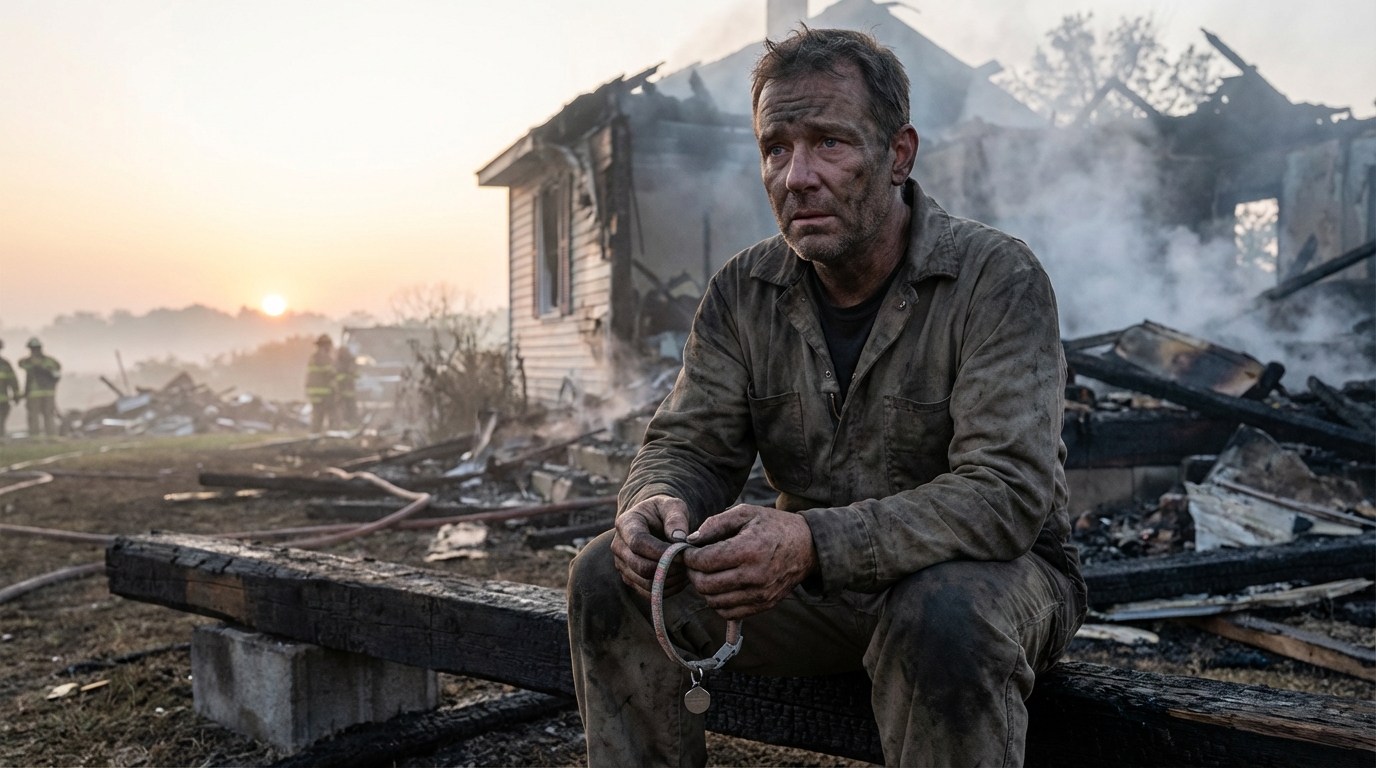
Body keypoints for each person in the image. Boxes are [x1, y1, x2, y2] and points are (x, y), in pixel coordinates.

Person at [567, 29, 1085, 767]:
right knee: (607, 578)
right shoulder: (743, 292)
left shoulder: (995, 279)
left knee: (941, 615)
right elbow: (688, 445)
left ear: (899, 154)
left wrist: (812, 543)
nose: (797, 177)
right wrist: (655, 501)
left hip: (997, 580)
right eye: (775, 148)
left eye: (829, 143)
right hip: (816, 589)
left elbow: (1005, 495)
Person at [19, 338, 61, 438]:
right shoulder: (50, 361)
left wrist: (34, 362)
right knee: (49, 415)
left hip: (34, 393)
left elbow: (21, 363)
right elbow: (57, 372)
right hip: (49, 393)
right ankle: (51, 436)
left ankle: (35, 438)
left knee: (34, 416)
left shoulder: (29, 362)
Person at [305, 334, 336, 432]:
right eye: (328, 345)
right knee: (330, 414)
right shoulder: (323, 357)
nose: (329, 347)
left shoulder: (314, 357)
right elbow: (329, 373)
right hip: (324, 393)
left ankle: (315, 434)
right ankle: (331, 434)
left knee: (317, 416)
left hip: (315, 393)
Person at [334, 342, 359, 427]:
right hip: (342, 391)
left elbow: (356, 374)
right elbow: (336, 376)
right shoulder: (338, 362)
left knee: (350, 409)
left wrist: (351, 374)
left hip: (347, 391)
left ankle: (351, 424)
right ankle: (344, 424)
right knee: (343, 410)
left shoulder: (350, 361)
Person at [0, 339, 19, 436]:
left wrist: (16, 395)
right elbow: (13, 381)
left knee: (1, 422)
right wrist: (16, 395)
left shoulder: (5, 364)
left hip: (3, 402)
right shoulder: (5, 364)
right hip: (3, 401)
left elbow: (13, 381)